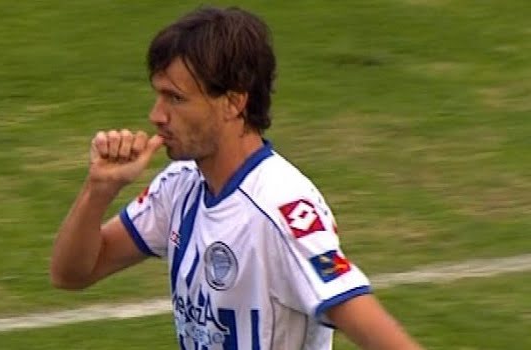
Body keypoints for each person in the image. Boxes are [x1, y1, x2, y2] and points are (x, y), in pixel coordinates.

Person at [50, 6, 423, 350]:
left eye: (175, 99)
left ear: (233, 102)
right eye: (158, 96)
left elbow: (371, 324)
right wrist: (99, 189)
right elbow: (72, 273)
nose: (156, 115)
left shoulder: (279, 210)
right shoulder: (180, 185)